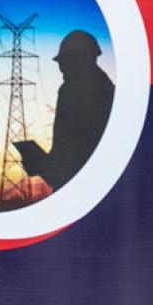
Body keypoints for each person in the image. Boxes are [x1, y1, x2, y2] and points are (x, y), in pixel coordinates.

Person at [41, 29, 114, 191]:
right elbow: (62, 154)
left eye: (65, 63)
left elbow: (77, 156)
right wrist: (41, 164)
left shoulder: (97, 94)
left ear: (81, 61)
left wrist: (46, 166)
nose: (62, 70)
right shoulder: (71, 91)